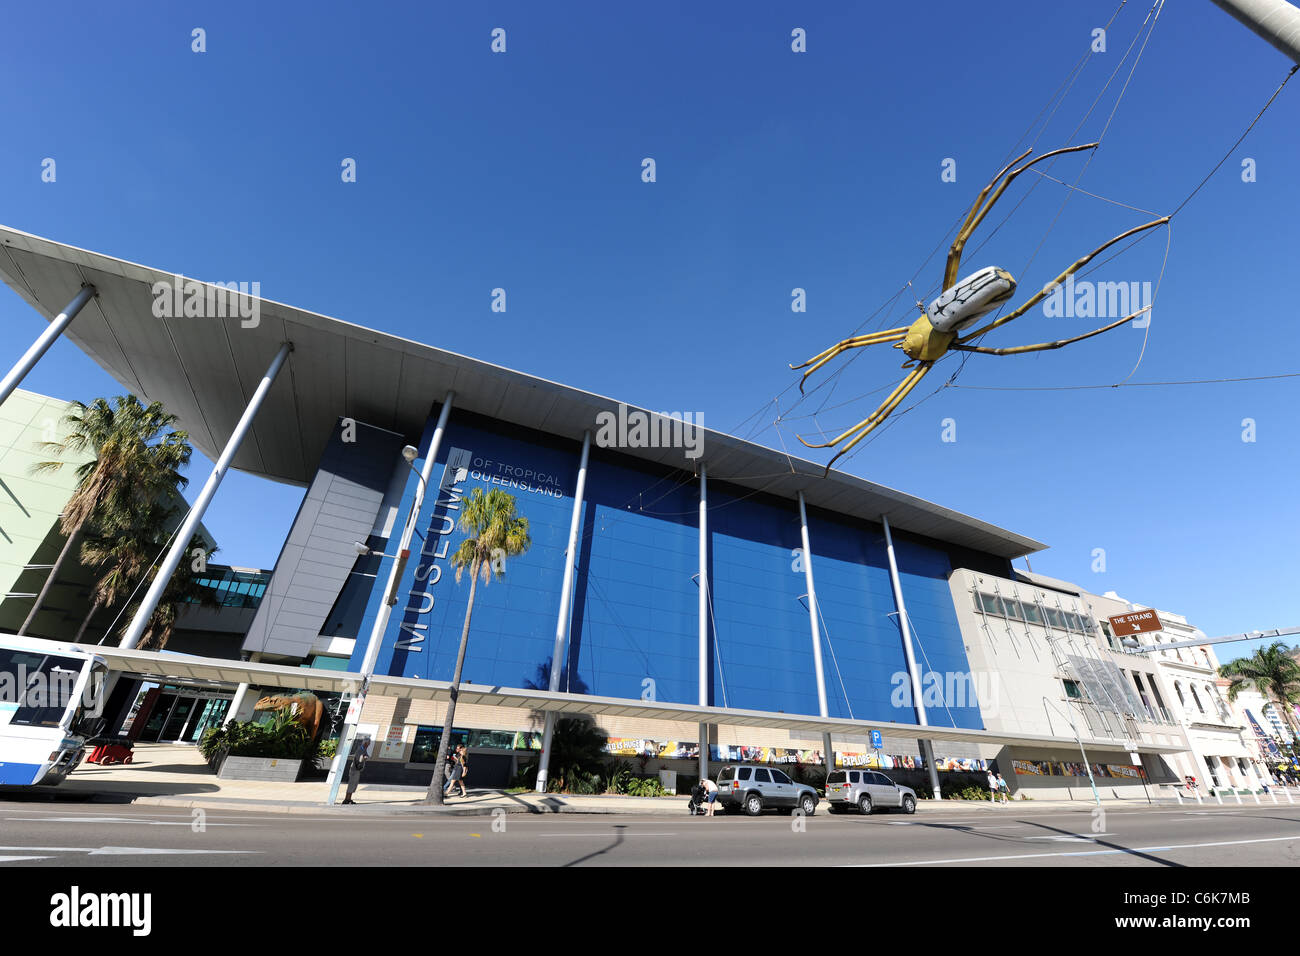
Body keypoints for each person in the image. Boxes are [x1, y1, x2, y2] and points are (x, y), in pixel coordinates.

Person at [341, 735, 371, 805]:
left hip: (357, 769)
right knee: (351, 784)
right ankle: (346, 799)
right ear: (366, 743)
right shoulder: (360, 749)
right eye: (369, 743)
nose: (369, 744)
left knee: (354, 785)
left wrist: (365, 757)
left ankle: (348, 799)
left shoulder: (363, 749)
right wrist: (361, 763)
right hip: (355, 769)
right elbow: (358, 760)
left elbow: (365, 756)